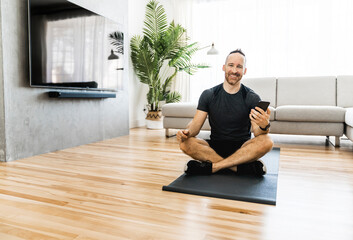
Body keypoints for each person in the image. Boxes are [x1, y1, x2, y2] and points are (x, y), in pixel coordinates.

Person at [176, 49, 273, 176]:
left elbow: (258, 133)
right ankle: (238, 167)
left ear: (244, 71)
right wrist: (185, 133)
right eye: (231, 65)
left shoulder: (252, 97)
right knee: (185, 144)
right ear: (224, 67)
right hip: (214, 147)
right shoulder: (208, 94)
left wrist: (265, 125)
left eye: (239, 67)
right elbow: (194, 128)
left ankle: (213, 167)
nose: (234, 70)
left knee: (267, 141)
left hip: (243, 148)